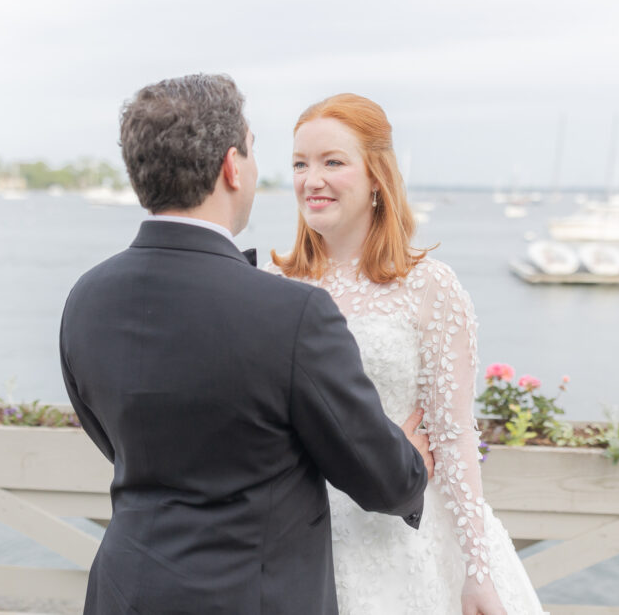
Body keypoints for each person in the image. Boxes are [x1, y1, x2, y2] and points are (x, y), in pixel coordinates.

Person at [59, 74, 432, 615]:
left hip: (124, 591)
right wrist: (411, 463)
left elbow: (113, 440)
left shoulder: (86, 299)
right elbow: (381, 480)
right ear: (232, 166)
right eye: (254, 153)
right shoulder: (291, 313)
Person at [268, 93, 547, 615]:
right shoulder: (273, 285)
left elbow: (455, 432)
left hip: (412, 537)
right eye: (300, 164)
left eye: (333, 162)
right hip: (305, 538)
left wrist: (477, 570)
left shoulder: (430, 288)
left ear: (376, 176)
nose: (312, 179)